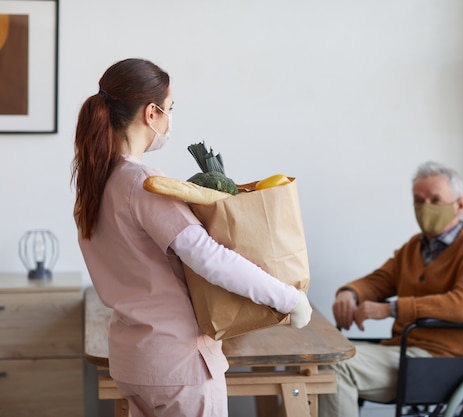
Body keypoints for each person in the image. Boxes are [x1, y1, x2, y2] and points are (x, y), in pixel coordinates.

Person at [71, 58, 312, 417]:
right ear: (151, 114)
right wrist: (290, 299)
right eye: (169, 109)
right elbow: (209, 257)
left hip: (132, 361)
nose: (170, 119)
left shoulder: (96, 184)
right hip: (177, 365)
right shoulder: (142, 183)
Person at [319, 161, 463, 417]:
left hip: (445, 360)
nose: (425, 207)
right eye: (418, 200)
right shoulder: (414, 248)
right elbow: (379, 280)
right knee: (314, 362)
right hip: (405, 352)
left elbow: (462, 305)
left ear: (459, 205)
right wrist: (350, 293)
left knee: (334, 365)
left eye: (435, 200)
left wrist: (392, 309)